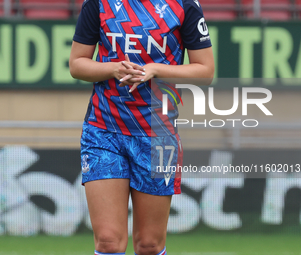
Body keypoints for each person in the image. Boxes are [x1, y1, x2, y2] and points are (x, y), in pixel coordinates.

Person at [69, 0, 214, 254]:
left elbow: (205, 71)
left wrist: (156, 69)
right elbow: (77, 63)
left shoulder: (184, 5)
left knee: (149, 244)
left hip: (158, 134)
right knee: (108, 241)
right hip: (104, 131)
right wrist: (112, 68)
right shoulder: (98, 3)